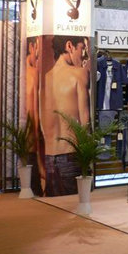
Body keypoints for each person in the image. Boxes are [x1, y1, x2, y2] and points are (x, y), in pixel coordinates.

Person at [40, 35, 90, 196]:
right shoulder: (79, 74)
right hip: (71, 154)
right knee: (75, 203)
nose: (84, 55)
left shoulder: (46, 78)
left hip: (49, 156)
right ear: (69, 46)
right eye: (82, 48)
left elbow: (42, 123)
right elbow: (85, 120)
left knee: (55, 206)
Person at [25, 37, 44, 195]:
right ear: (31, 47)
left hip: (30, 145)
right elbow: (35, 118)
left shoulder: (29, 72)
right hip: (32, 145)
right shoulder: (32, 74)